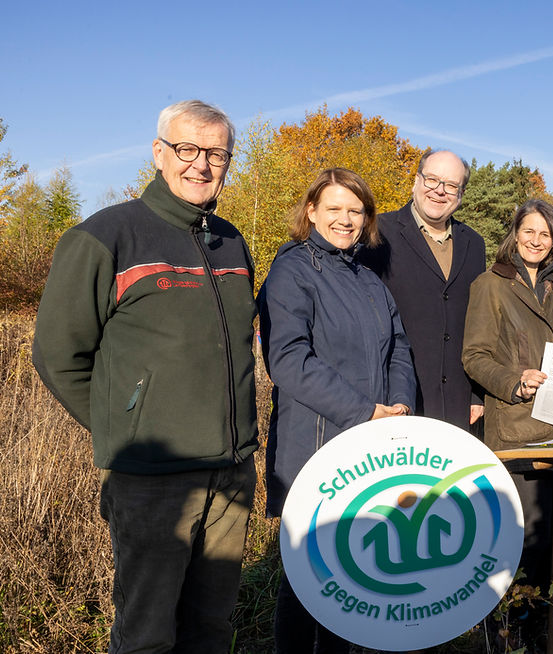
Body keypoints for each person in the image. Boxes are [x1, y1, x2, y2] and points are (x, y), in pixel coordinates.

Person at [32, 100, 258, 653]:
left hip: (231, 473)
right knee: (147, 635)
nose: (201, 164)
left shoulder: (231, 241)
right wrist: (129, 427)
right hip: (155, 480)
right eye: (187, 149)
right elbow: (58, 355)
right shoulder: (106, 236)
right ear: (159, 153)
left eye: (217, 154)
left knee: (211, 629)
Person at [257, 168, 416, 652]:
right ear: (311, 211)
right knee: (308, 580)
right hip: (316, 445)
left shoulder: (367, 278)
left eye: (355, 210)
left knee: (350, 577)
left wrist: (400, 405)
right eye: (334, 209)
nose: (345, 220)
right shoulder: (291, 271)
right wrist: (364, 411)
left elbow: (398, 348)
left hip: (369, 445)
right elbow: (288, 359)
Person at [462, 199, 553, 591]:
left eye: (545, 234)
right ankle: (514, 623)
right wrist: (515, 382)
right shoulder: (490, 285)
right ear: (514, 235)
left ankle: (552, 620)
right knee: (524, 543)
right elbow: (474, 357)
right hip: (517, 433)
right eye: (528, 230)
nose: (536, 240)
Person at [362, 150, 486, 430]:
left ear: (461, 194)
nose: (439, 191)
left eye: (451, 185)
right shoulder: (378, 233)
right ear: (416, 181)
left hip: (458, 402)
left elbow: (479, 325)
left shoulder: (474, 244)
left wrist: (477, 394)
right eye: (432, 179)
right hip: (397, 399)